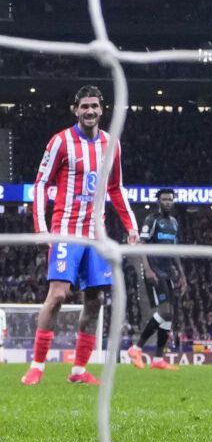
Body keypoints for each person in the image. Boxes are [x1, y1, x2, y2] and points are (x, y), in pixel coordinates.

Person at [23, 85, 140, 386]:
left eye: (95, 106)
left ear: (102, 110)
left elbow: (115, 188)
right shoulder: (60, 142)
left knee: (95, 299)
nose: (90, 111)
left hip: (97, 234)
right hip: (66, 231)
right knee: (58, 295)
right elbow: (40, 185)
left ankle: (78, 370)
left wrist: (131, 225)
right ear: (75, 109)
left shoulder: (111, 144)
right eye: (84, 106)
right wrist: (40, 228)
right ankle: (37, 365)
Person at [127, 187, 188, 370]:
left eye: (170, 199)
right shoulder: (151, 220)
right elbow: (142, 245)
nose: (168, 202)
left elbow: (174, 250)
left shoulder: (174, 223)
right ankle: (136, 348)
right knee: (165, 312)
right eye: (164, 199)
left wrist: (182, 274)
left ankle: (158, 359)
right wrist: (148, 269)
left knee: (170, 315)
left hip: (168, 272)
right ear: (158, 201)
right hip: (155, 270)